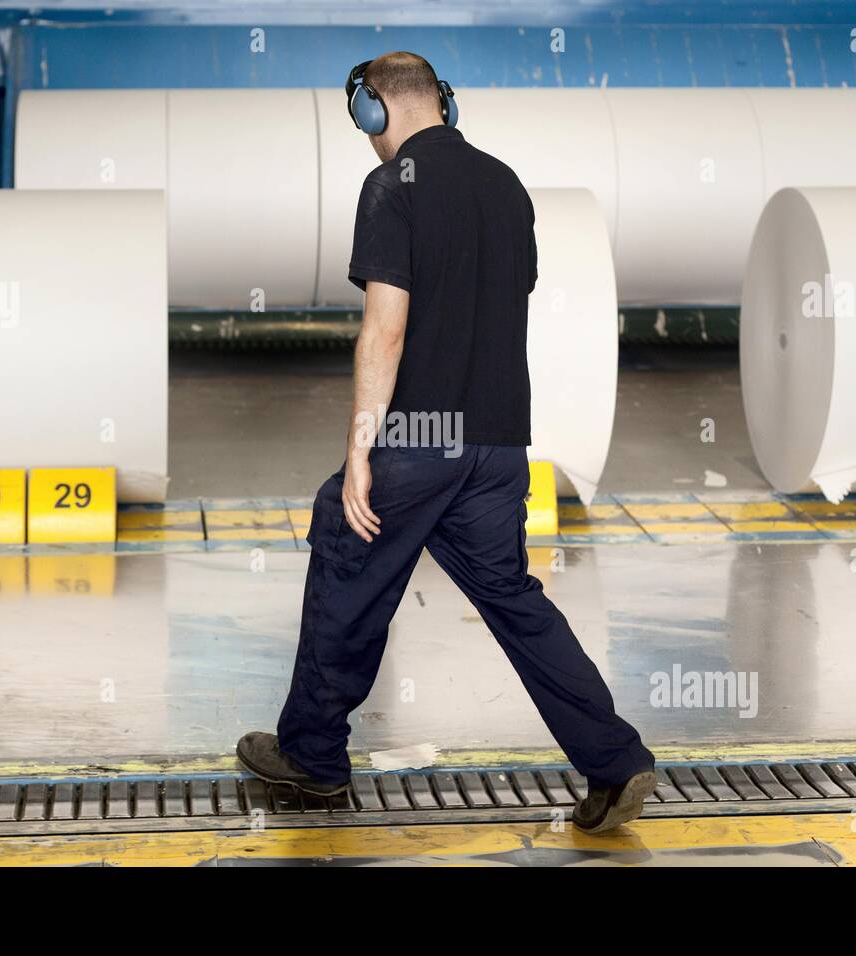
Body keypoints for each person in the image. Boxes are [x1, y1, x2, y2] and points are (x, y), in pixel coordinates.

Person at [236, 51, 655, 833]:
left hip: (422, 436)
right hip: (499, 445)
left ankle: (314, 759)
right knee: (515, 601)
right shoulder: (506, 185)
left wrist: (363, 447)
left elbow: (385, 330)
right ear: (446, 105)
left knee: (347, 548)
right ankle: (615, 759)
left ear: (372, 111)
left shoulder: (390, 187)